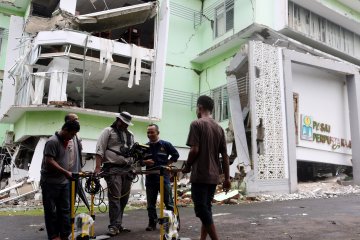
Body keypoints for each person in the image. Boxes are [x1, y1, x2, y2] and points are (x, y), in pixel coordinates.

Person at [182, 95, 231, 240]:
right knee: (207, 209)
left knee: (201, 210)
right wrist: (227, 178)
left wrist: (187, 166)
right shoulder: (219, 128)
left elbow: (194, 150)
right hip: (213, 177)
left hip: (200, 175)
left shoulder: (196, 124)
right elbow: (225, 156)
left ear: (199, 107)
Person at [94, 111, 135, 236]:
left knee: (124, 199)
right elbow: (100, 149)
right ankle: (113, 226)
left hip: (127, 169)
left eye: (127, 124)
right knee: (115, 198)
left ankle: (118, 224)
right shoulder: (108, 131)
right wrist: (97, 167)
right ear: (118, 120)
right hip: (112, 169)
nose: (125, 125)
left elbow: (133, 151)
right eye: (124, 123)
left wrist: (134, 166)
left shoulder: (130, 134)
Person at [40, 120, 81, 240]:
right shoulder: (52, 141)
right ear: (65, 130)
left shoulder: (67, 141)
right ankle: (53, 236)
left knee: (65, 210)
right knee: (51, 211)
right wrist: (65, 172)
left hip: (64, 182)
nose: (73, 137)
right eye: (72, 134)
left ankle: (65, 234)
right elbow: (49, 161)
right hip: (50, 182)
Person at [143, 124, 179, 231]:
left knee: (168, 202)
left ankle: (172, 223)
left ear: (158, 133)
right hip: (150, 179)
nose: (149, 134)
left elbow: (175, 155)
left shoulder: (166, 145)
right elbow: (138, 160)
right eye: (148, 132)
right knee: (150, 204)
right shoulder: (144, 147)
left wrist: (168, 163)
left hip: (164, 178)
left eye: (152, 132)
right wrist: (145, 161)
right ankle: (152, 223)